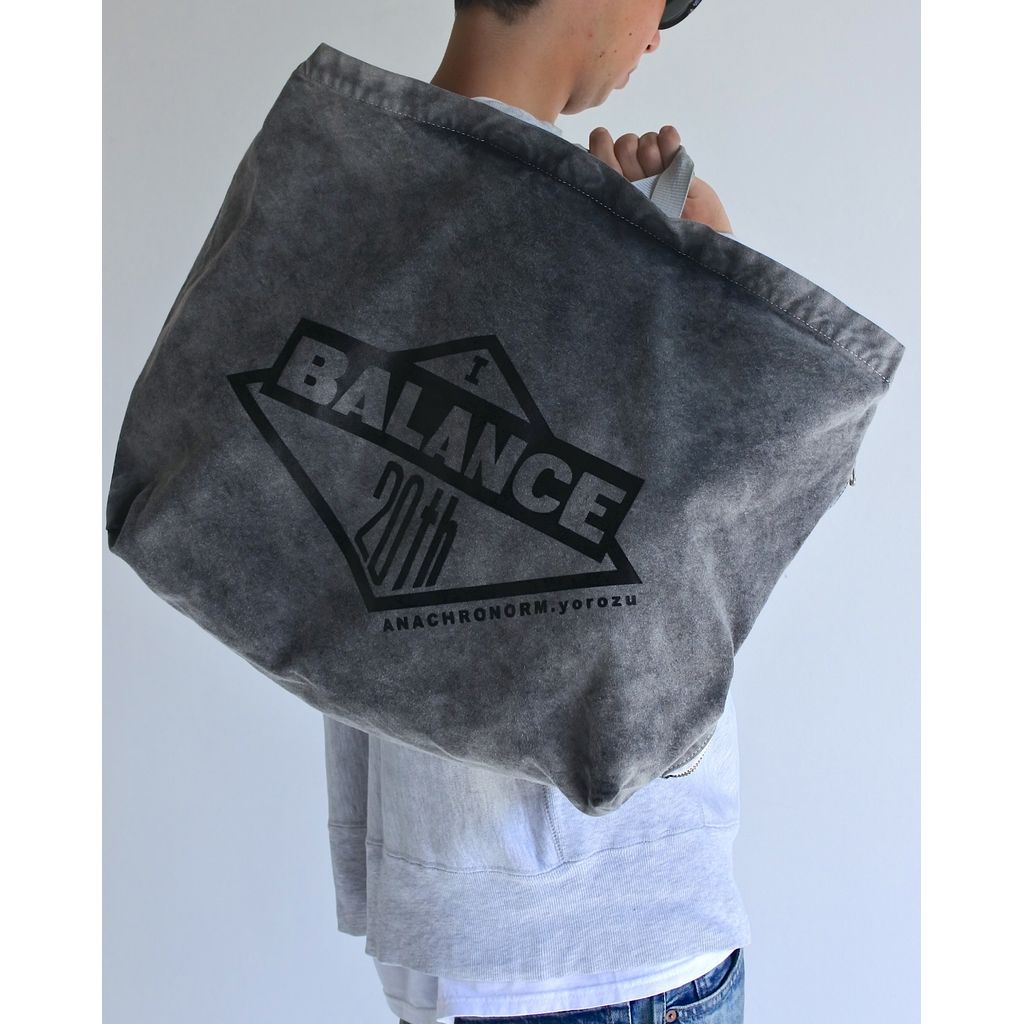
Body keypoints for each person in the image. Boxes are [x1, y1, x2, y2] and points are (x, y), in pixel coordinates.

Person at [324, 3, 748, 1022]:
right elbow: (687, 583)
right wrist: (714, 292)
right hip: (602, 929)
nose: (655, 38)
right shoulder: (594, 233)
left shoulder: (340, 189)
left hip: (439, 895)